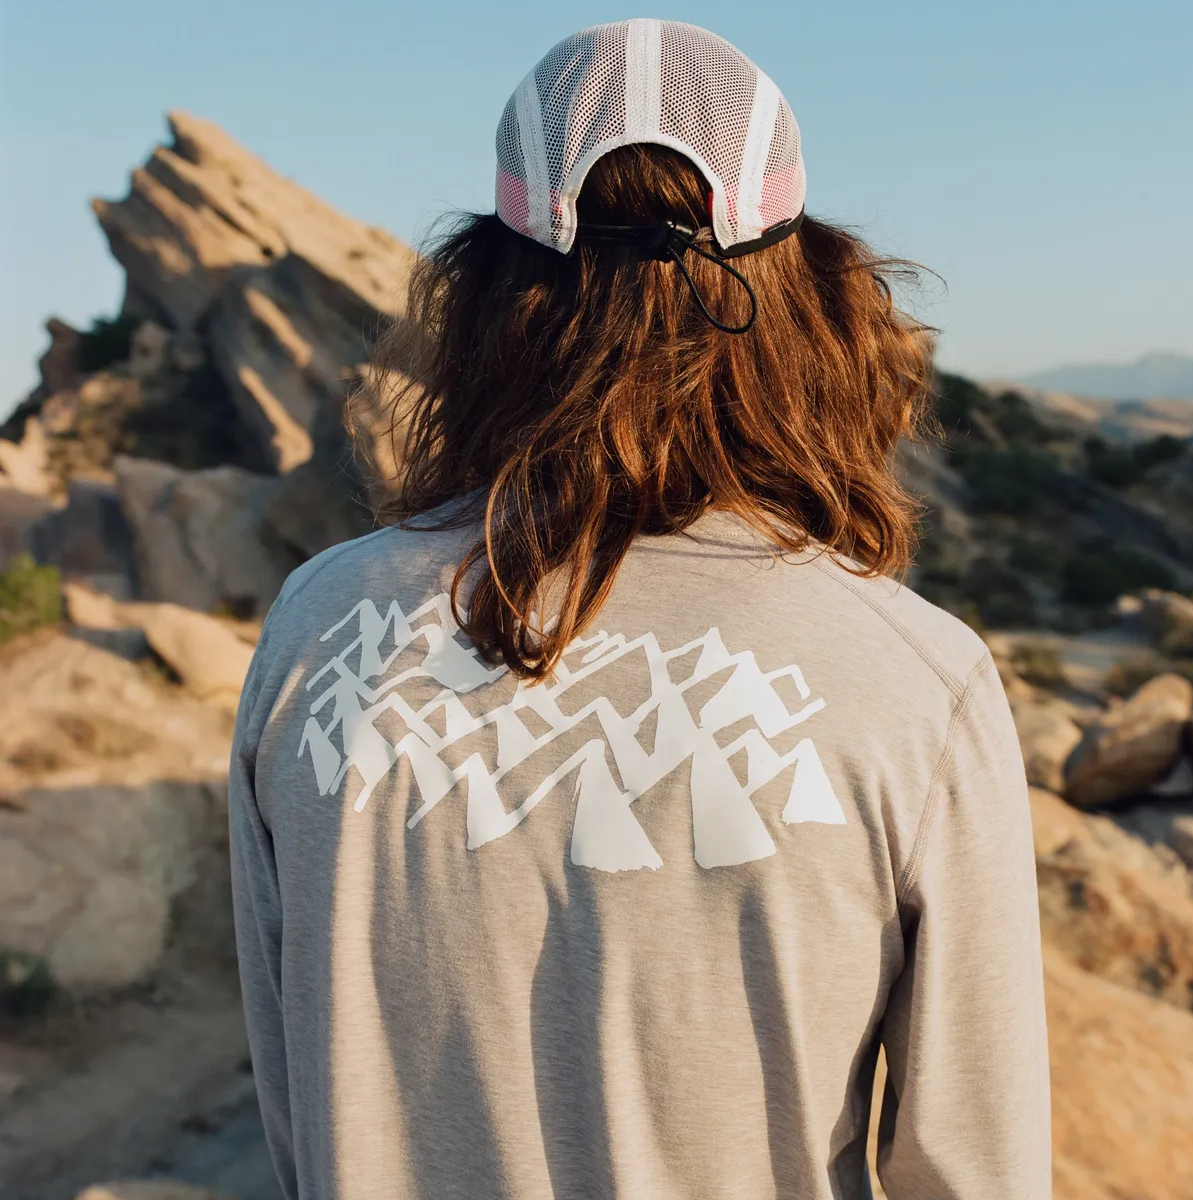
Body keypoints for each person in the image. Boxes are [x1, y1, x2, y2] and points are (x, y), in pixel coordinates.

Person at [229, 19, 1051, 1200]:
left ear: (488, 290)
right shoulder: (915, 682)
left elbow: (299, 1111)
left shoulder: (315, 633)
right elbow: (975, 1174)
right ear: (807, 292)